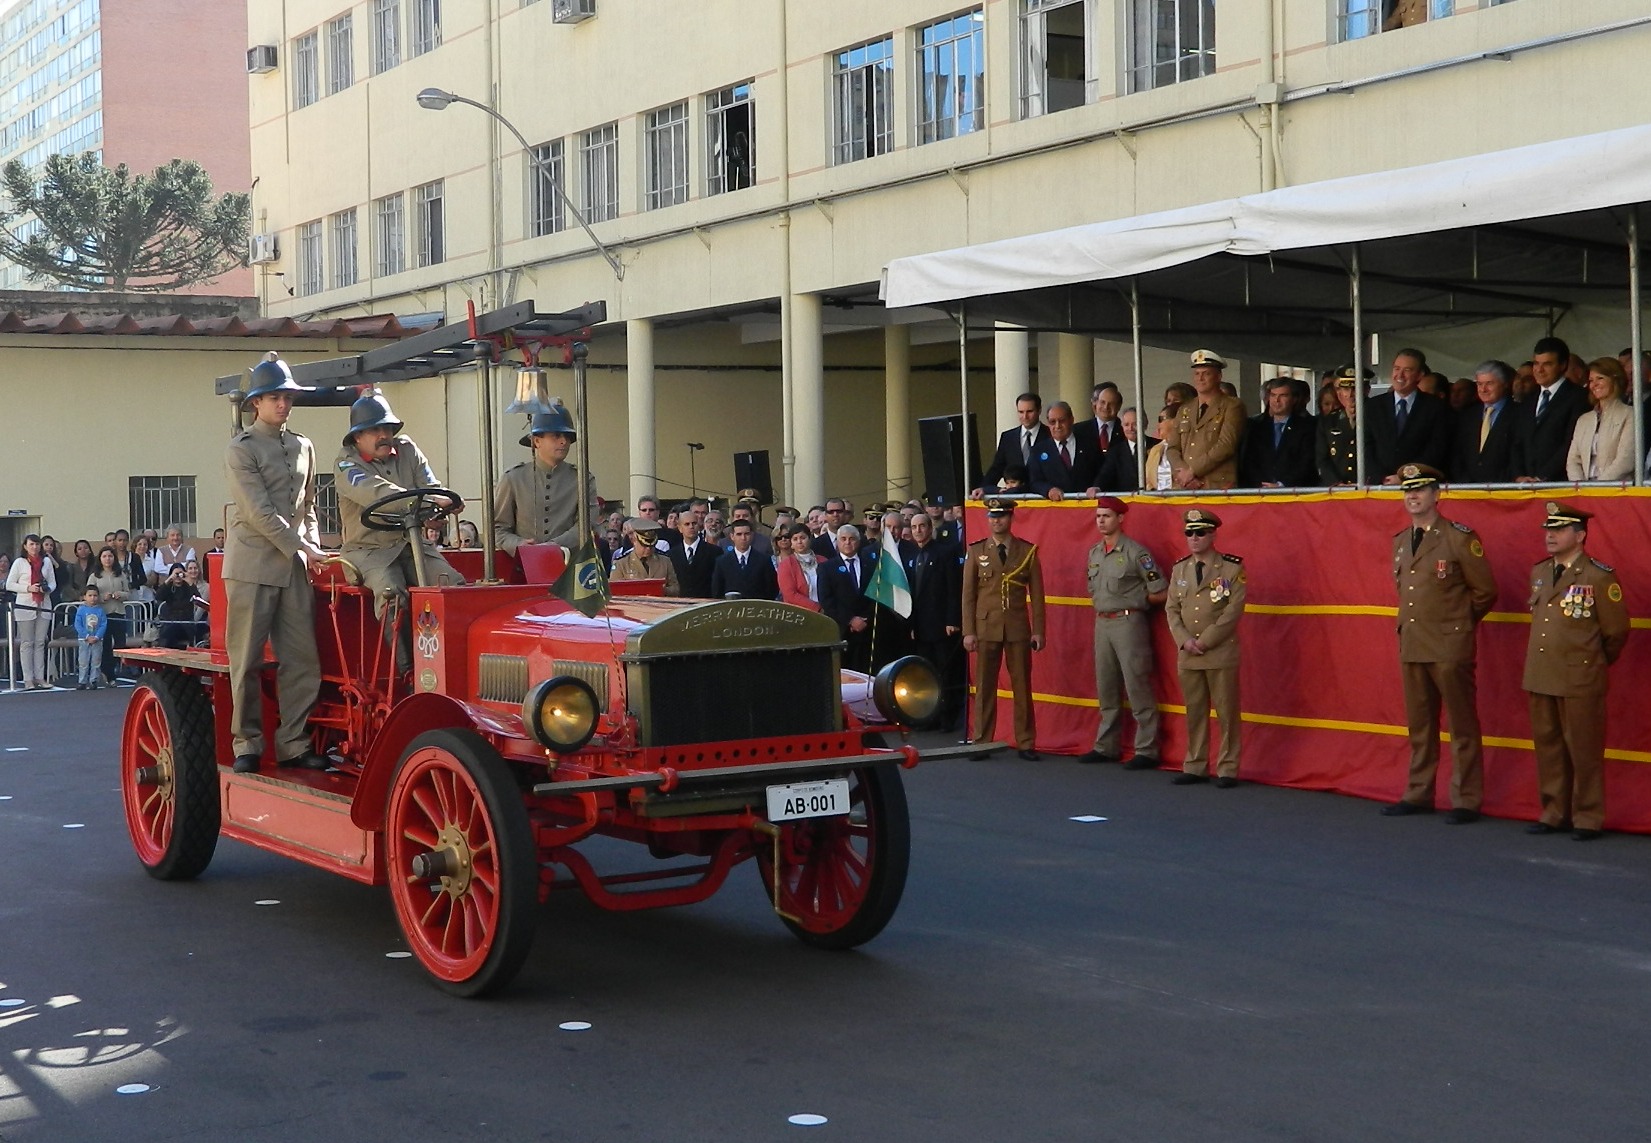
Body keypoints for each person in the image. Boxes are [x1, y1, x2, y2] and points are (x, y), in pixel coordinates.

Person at [222, 353, 328, 775]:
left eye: (287, 397)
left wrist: (313, 545)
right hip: (252, 565)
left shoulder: (304, 445)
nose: (283, 404)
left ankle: (294, 744)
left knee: (303, 661)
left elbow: (310, 505)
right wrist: (303, 547)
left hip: (294, 566)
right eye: (274, 398)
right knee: (246, 661)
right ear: (256, 403)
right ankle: (246, 743)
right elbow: (258, 511)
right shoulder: (241, 449)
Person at [1379, 464, 1497, 823]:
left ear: (1436, 494)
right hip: (1414, 642)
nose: (1412, 496)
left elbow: (1485, 591)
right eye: (1407, 490)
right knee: (1420, 725)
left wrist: (1458, 624)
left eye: (1420, 489)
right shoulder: (1401, 541)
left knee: (1461, 725)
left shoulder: (1458, 538)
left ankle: (1466, 799)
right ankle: (1418, 792)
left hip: (1449, 644)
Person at [333, 392, 466, 671]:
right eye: (375, 430)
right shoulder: (346, 464)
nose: (384, 435)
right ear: (357, 437)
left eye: (387, 428)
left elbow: (430, 485)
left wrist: (438, 511)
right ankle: (406, 673)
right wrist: (429, 502)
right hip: (368, 551)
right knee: (391, 593)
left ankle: (455, 666)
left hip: (412, 543)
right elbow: (378, 494)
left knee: (452, 585)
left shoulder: (407, 450)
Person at [1522, 501, 1629, 841]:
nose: (1550, 536)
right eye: (1548, 530)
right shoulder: (1540, 572)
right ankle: (1554, 812)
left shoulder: (1598, 575)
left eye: (1559, 530)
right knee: (1549, 748)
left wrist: (1591, 663)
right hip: (1542, 673)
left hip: (1580, 677)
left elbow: (1615, 632)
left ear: (1580, 535)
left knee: (1584, 751)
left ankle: (1587, 817)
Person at [1079, 497, 1167, 769]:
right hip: (1102, 623)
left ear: (1120, 519)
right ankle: (1106, 746)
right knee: (1106, 685)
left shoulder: (1136, 553)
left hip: (1129, 622)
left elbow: (1160, 591)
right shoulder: (1095, 552)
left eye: (1106, 516)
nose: (1101, 521)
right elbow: (1092, 588)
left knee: (1136, 684)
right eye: (1098, 516)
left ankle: (1147, 749)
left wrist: (1135, 601)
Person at [1164, 509, 1246, 787]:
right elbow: (1171, 609)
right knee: (1195, 711)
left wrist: (1205, 640)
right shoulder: (1180, 569)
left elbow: (1232, 611)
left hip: (1219, 652)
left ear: (1213, 535)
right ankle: (1195, 764)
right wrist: (1184, 640)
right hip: (1188, 653)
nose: (1194, 538)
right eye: (1189, 533)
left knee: (1226, 712)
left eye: (1200, 532)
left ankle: (1228, 768)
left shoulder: (1231, 568)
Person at [961, 499, 1044, 759]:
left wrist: (1039, 630)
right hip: (986, 626)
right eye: (992, 516)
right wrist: (968, 631)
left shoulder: (1026, 551)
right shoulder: (977, 551)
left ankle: (1026, 742)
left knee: (1022, 686)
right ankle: (981, 741)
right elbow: (968, 595)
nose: (996, 521)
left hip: (1017, 627)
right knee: (985, 687)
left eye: (1001, 516)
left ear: (1011, 518)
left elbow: (1038, 596)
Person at [494, 402, 600, 556]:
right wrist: (519, 545)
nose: (563, 441)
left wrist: (554, 546)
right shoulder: (513, 478)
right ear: (537, 441)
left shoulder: (582, 479)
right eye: (556, 436)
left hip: (569, 564)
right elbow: (498, 528)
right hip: (524, 564)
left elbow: (587, 525)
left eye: (567, 437)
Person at [902, 512, 963, 730]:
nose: (918, 530)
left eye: (922, 526)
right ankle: (929, 716)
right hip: (920, 626)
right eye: (914, 527)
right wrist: (911, 625)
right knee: (925, 673)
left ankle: (947, 717)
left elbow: (953, 589)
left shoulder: (945, 552)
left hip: (941, 624)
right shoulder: (911, 555)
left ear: (930, 528)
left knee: (944, 672)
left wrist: (952, 620)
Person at [1163, 349, 1245, 490]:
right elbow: (1172, 448)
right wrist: (1183, 473)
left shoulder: (1232, 406)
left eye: (1206, 373)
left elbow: (1226, 445)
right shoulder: (1185, 409)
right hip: (1185, 486)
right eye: (1197, 374)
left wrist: (1193, 471)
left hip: (1216, 486)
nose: (1200, 378)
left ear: (1218, 376)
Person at [1369, 348, 1454, 483]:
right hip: (1379, 486)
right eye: (1397, 368)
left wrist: (1406, 476)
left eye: (1407, 370)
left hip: (1419, 485)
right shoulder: (1372, 406)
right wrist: (1382, 478)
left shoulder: (1436, 407)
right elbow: (1365, 447)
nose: (1400, 375)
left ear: (1419, 375)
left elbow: (1436, 449)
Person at [1511, 336, 1589, 482]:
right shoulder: (1529, 399)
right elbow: (1517, 443)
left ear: (1563, 365)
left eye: (1547, 364)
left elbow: (1571, 443)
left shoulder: (1579, 397)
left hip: (1559, 483)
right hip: (1526, 485)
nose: (1539, 370)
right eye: (1536, 363)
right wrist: (1519, 476)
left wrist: (1542, 477)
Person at [1565, 357, 1636, 482]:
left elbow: (1626, 460)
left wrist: (1599, 486)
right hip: (1585, 489)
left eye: (1600, 378)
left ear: (1615, 379)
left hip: (1616, 489)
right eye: (1591, 380)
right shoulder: (1584, 420)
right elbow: (1573, 460)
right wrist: (1580, 485)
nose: (1594, 384)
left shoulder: (1630, 414)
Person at [818, 525, 878, 673]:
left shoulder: (871, 565)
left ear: (858, 541)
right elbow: (826, 599)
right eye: (843, 539)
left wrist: (865, 619)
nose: (847, 542)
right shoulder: (827, 568)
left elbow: (876, 594)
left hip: (867, 630)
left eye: (852, 539)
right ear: (837, 542)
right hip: (842, 630)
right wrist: (850, 620)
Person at [1240, 377, 1319, 487]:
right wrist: (1262, 485)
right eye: (1273, 395)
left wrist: (1281, 485)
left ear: (1294, 399)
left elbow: (1306, 462)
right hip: (1261, 490)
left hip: (1294, 491)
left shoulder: (1307, 427)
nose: (1276, 400)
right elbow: (1249, 461)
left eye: (1283, 395)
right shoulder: (1256, 427)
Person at [1453, 360, 1516, 483]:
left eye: (1489, 383)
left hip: (1504, 488)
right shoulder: (1467, 416)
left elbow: (1518, 454)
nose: (1483, 389)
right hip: (1467, 489)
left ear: (1505, 384)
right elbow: (1457, 455)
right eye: (1479, 384)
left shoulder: (1519, 413)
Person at [6, 534, 56, 689]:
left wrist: (46, 589)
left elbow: (53, 583)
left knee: (40, 642)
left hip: (44, 603)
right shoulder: (19, 562)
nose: (35, 547)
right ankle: (28, 679)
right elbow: (9, 584)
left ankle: (40, 677)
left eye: (37, 544)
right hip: (25, 605)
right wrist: (28, 588)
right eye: (31, 544)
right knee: (27, 642)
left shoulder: (46, 561)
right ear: (25, 546)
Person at [976, 392, 1049, 496]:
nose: (1025, 416)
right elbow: (996, 469)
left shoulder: (1050, 435)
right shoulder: (1008, 438)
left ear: (1039, 410)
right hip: (1015, 499)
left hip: (1043, 499)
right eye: (1021, 412)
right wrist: (984, 488)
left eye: (1029, 411)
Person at [1027, 401, 1102, 500]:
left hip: (1086, 505)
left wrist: (1096, 486)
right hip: (1056, 506)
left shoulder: (1089, 445)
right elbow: (1034, 481)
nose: (1057, 426)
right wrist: (1048, 490)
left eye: (1062, 421)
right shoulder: (1038, 450)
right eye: (1052, 422)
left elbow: (1102, 473)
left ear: (1071, 420)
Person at [88, 545, 131, 683]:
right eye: (104, 556)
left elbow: (128, 593)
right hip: (102, 614)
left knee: (120, 644)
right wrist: (101, 598)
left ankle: (112, 668)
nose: (108, 559)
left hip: (118, 612)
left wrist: (120, 595)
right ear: (100, 559)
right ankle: (109, 674)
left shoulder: (121, 574)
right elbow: (89, 595)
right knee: (105, 645)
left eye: (110, 556)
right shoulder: (95, 576)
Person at [1318, 365, 1366, 485]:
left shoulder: (1378, 416)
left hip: (1368, 487)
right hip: (1337, 489)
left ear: (1366, 390)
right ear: (1339, 393)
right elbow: (1322, 459)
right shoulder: (1328, 421)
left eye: (1355, 389)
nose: (1350, 394)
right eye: (1346, 389)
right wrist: (1336, 483)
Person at [710, 518, 779, 600]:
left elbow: (772, 589)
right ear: (732, 536)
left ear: (752, 535)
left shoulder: (764, 560)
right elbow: (717, 591)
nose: (743, 538)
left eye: (747, 534)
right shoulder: (722, 562)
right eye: (739, 534)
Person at [610, 517, 680, 594]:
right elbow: (614, 591)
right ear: (633, 540)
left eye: (651, 545)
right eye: (644, 545)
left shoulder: (665, 561)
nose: (648, 549)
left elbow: (676, 588)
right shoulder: (621, 564)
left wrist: (663, 590)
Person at [1096, 407, 1155, 492]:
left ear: (1145, 424)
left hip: (1156, 498)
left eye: (1135, 424)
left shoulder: (1158, 446)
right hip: (1127, 499)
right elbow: (1105, 475)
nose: (1130, 428)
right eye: (1126, 425)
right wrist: (1097, 487)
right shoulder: (1115, 452)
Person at [668, 510, 720, 597]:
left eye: (694, 523)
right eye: (687, 524)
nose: (691, 527)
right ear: (680, 528)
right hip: (681, 602)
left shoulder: (714, 552)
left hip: (706, 602)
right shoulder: (671, 554)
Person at [1073, 382, 1125, 466]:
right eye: (1102, 402)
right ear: (1095, 404)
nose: (1106, 407)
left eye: (1111, 403)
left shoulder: (1126, 430)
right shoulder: (1078, 430)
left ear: (1119, 406)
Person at [154, 562, 202, 649]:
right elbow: (158, 596)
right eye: (176, 574)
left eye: (180, 573)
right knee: (169, 630)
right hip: (170, 623)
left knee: (172, 630)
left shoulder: (188, 587)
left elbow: (198, 598)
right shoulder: (168, 588)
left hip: (186, 624)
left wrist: (189, 582)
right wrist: (169, 579)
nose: (178, 576)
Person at [776, 524, 822, 610]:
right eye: (795, 539)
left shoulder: (823, 561)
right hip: (798, 612)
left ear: (810, 539)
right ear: (791, 544)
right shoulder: (786, 565)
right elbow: (790, 594)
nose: (799, 542)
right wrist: (816, 607)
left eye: (803, 538)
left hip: (826, 611)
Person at [72, 584, 106, 690]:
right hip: (84, 639)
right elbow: (78, 624)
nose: (92, 598)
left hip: (97, 640)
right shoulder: (81, 610)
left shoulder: (100, 610)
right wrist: (86, 636)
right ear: (84, 597)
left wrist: (97, 636)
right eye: (90, 595)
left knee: (96, 661)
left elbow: (103, 624)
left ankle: (93, 680)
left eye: (95, 595)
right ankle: (82, 681)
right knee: (83, 661)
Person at [1142, 407, 1177, 491]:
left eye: (1161, 419)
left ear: (1175, 421)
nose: (1158, 425)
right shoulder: (1155, 450)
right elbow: (1148, 479)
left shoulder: (1188, 447)